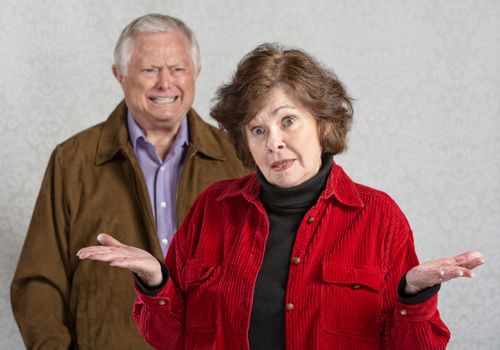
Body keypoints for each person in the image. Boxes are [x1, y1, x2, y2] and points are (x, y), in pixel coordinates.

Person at [77, 43, 484, 350]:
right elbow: (170, 338)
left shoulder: (379, 216)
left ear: (323, 125)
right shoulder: (212, 208)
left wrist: (415, 294)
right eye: (257, 130)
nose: (274, 142)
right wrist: (155, 280)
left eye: (288, 121)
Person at [11, 14, 247, 350]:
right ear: (120, 75)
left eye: (177, 69)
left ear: (196, 73)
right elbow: (39, 282)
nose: (165, 83)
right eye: (149, 70)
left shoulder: (239, 158)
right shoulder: (73, 160)